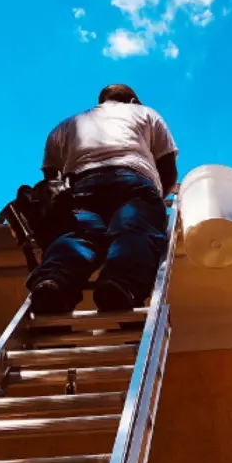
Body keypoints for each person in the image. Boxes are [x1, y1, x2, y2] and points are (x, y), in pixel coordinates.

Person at [26, 83, 178, 315]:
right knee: (133, 229)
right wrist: (155, 201)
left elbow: (51, 181)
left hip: (80, 186)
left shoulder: (66, 126)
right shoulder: (145, 113)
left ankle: (55, 281)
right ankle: (120, 283)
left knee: (77, 236)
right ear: (133, 100)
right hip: (132, 180)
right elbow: (167, 168)